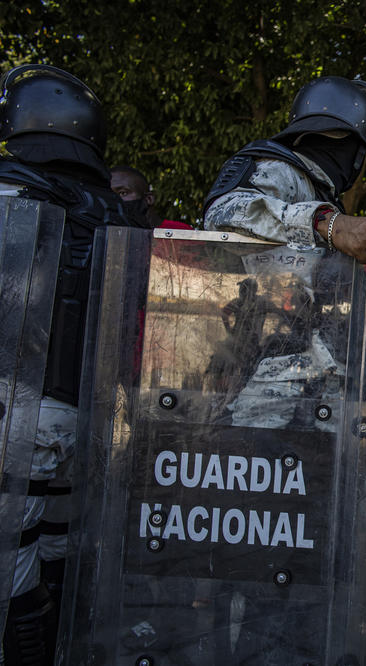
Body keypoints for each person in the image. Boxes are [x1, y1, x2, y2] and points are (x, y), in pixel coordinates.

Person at [0, 64, 136, 662]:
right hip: (92, 420)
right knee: (56, 547)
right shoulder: (120, 215)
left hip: (14, 413)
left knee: (12, 558)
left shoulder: (9, 190)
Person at [203, 75, 366, 262]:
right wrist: (329, 224)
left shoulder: (318, 190)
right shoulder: (282, 170)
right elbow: (221, 215)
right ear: (353, 149)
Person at [110, 164, 191, 230]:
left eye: (123, 193)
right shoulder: (108, 235)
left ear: (149, 199)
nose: (114, 199)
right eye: (110, 194)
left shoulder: (179, 231)